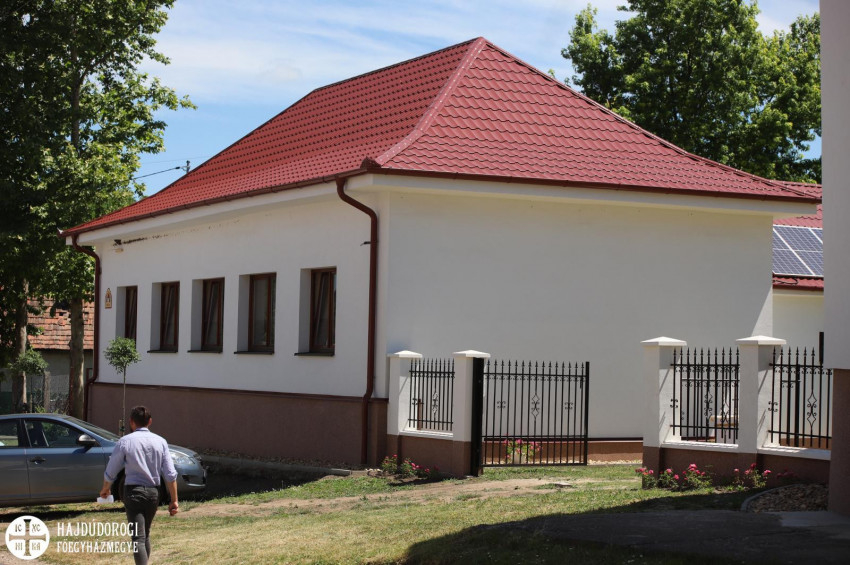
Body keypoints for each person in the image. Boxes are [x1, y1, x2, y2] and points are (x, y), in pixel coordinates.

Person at [100, 406, 178, 565]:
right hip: (153, 493)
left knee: (138, 538)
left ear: (131, 422)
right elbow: (170, 474)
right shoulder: (160, 442)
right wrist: (174, 500)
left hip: (133, 492)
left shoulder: (125, 441)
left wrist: (106, 488)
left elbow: (111, 469)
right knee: (145, 535)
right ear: (150, 421)